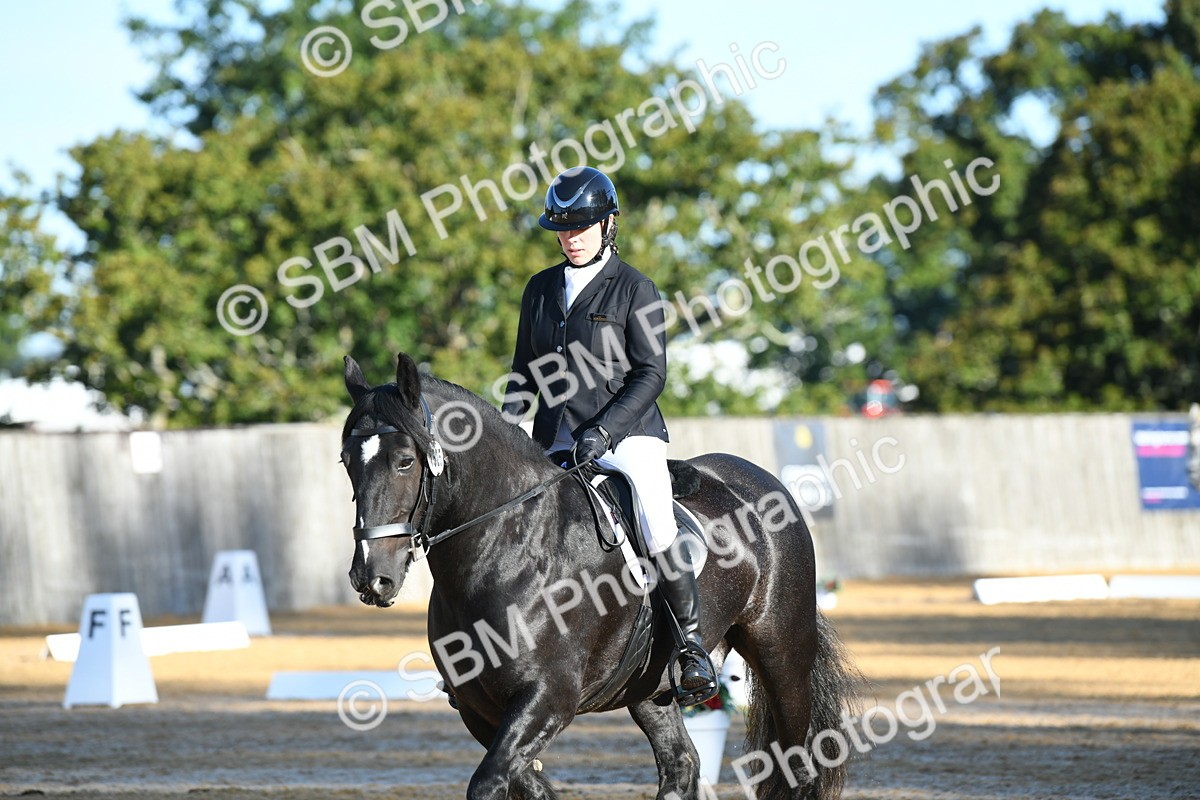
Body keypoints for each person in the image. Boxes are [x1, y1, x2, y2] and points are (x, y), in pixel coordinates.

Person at [500, 166, 718, 705]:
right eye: (562, 228)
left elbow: (651, 374)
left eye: (581, 227)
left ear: (607, 224)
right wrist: (507, 427)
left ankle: (690, 646)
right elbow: (524, 370)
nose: (570, 237)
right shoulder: (540, 288)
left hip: (628, 436)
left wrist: (603, 431)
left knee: (654, 517)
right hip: (553, 439)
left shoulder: (635, 288)